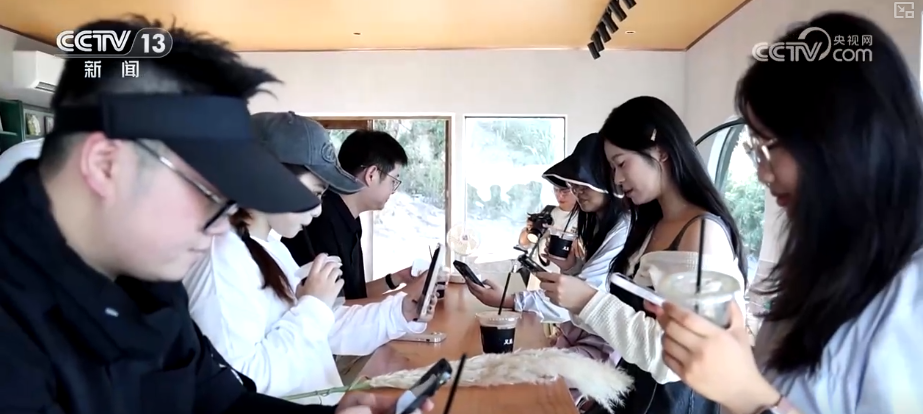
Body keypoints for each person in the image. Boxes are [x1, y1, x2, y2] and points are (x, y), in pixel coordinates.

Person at [0, 16, 431, 414]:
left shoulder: (155, 290)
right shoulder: (16, 334)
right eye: (205, 193)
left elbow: (223, 400)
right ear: (106, 165)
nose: (221, 227)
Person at [651, 13, 923, 414]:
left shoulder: (911, 294)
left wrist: (748, 397)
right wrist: (736, 364)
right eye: (754, 148)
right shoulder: (827, 261)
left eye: (770, 146)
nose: (762, 173)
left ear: (841, 139)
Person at [185, 112, 434, 404]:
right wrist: (313, 306)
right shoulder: (223, 260)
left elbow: (326, 327)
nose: (317, 210)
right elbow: (245, 384)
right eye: (315, 193)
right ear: (270, 175)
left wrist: (401, 311)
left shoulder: (270, 248)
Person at [538, 96, 747, 414]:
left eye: (621, 163)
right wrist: (578, 300)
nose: (617, 180)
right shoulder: (650, 228)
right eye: (612, 168)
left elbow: (673, 358)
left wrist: (588, 301)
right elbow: (626, 330)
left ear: (660, 150)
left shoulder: (702, 234)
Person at [466, 133, 628, 324]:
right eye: (573, 185)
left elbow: (584, 297)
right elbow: (582, 291)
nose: (577, 192)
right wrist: (571, 267)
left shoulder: (622, 228)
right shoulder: (594, 223)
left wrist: (510, 300)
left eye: (584, 186)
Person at [282, 130, 416, 300]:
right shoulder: (321, 222)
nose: (393, 190)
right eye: (393, 181)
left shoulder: (348, 218)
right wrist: (410, 295)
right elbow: (336, 309)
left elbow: (353, 296)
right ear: (372, 175)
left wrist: (397, 278)